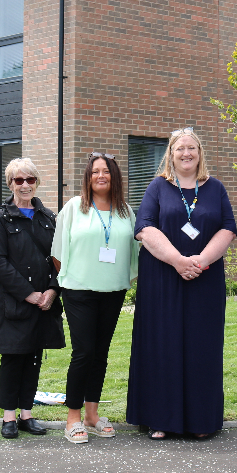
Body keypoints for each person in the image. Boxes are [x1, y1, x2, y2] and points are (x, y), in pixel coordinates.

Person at [127, 128, 237, 439]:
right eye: (180, 149)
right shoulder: (158, 186)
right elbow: (144, 228)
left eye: (192, 148)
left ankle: (202, 421)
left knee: (202, 347)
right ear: (171, 154)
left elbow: (228, 228)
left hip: (205, 279)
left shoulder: (214, 188)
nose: (186, 153)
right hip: (163, 279)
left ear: (200, 153)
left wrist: (200, 261)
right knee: (163, 345)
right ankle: (160, 419)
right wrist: (178, 260)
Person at [52, 153, 140, 444]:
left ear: (115, 177)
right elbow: (57, 251)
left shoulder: (126, 211)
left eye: (106, 171)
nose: (101, 176)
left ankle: (92, 415)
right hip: (79, 290)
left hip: (113, 290)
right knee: (84, 352)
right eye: (95, 172)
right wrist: (71, 279)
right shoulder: (74, 208)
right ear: (87, 178)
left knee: (100, 353)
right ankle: (73, 418)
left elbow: (135, 252)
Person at [0, 158, 64, 439]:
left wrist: (52, 291)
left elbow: (61, 259)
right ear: (10, 184)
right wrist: (28, 293)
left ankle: (27, 414)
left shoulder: (49, 218)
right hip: (15, 302)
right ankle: (9, 416)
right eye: (18, 180)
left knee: (34, 357)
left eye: (30, 179)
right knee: (13, 358)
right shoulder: (0, 217)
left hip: (45, 302)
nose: (25, 185)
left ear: (37, 182)